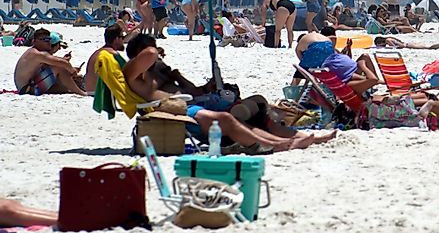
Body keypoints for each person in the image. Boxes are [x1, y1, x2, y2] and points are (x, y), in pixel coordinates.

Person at [123, 34, 334, 151]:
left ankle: (300, 137)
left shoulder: (162, 74)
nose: (158, 53)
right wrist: (154, 51)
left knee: (257, 109)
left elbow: (194, 92)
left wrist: (183, 78)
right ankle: (278, 145)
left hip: (195, 105)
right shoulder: (137, 78)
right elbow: (149, 54)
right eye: (153, 49)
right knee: (226, 119)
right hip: (177, 113)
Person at [13, 28, 86, 96]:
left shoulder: (34, 52)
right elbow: (63, 63)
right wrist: (73, 72)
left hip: (29, 87)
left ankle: (78, 88)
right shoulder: (37, 54)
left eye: (48, 39)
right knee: (60, 68)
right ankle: (80, 93)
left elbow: (54, 62)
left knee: (65, 81)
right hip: (28, 89)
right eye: (44, 40)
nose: (48, 42)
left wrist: (69, 68)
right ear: (34, 41)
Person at [373, 36, 439, 50]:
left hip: (408, 45)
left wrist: (386, 48)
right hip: (408, 44)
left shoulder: (387, 40)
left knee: (429, 47)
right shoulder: (389, 38)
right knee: (428, 47)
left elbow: (395, 47)